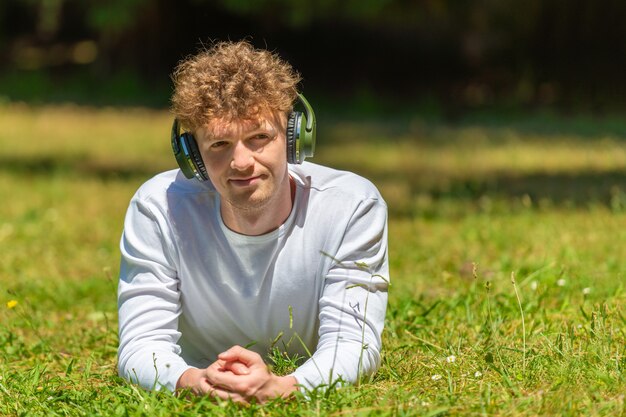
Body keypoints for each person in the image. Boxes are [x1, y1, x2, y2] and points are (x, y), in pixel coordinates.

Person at [117, 40, 389, 403]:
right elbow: (140, 345)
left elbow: (353, 344)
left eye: (259, 137)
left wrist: (283, 388)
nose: (241, 161)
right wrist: (194, 381)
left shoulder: (352, 206)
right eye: (219, 144)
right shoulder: (157, 208)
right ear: (192, 155)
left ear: (294, 139)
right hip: (201, 373)